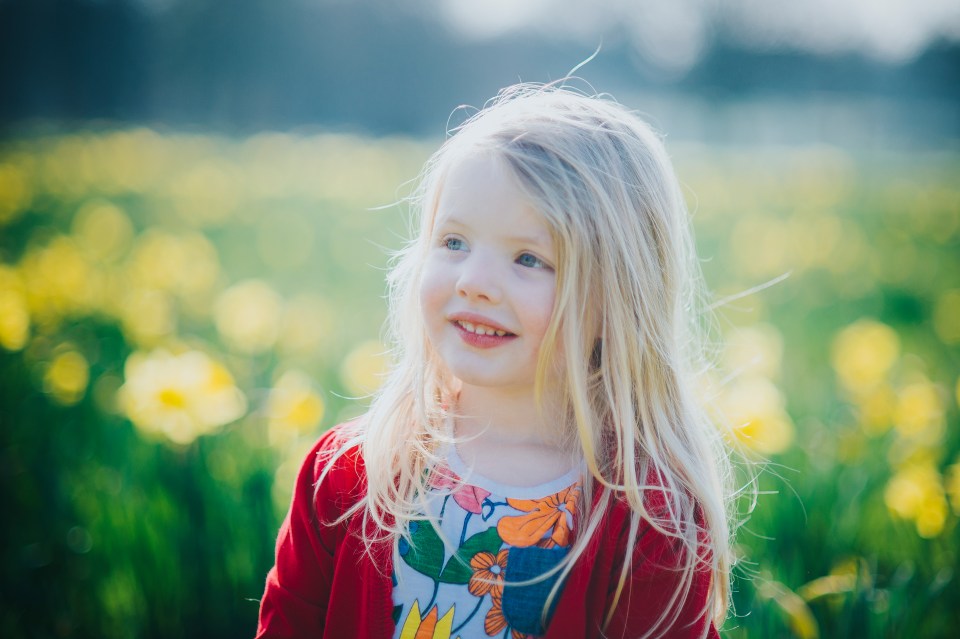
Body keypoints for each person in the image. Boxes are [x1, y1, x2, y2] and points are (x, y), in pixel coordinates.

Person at [256, 83, 735, 639]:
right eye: (454, 242)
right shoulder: (347, 476)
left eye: (529, 258)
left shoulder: (651, 519)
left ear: (619, 298)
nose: (475, 283)